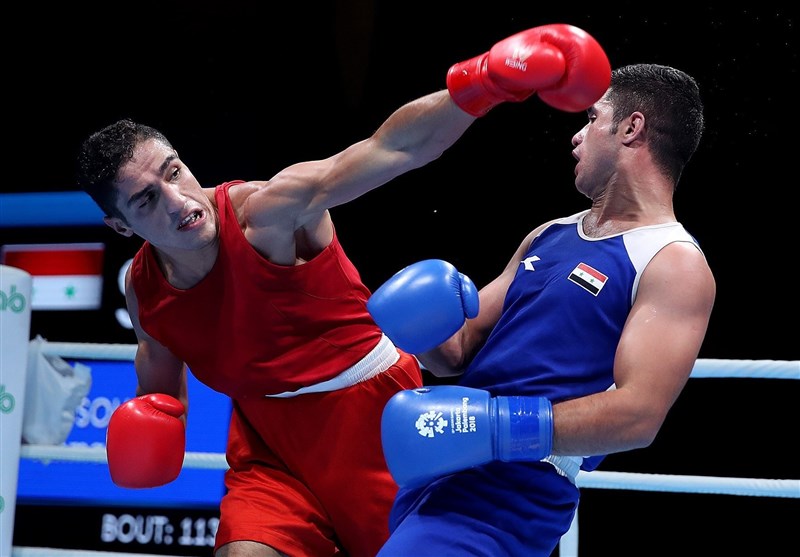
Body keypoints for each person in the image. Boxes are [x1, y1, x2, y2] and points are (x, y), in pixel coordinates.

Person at [75, 24, 612, 557]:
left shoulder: (267, 213)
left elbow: (393, 149)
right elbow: (161, 384)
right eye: (146, 201)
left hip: (378, 424)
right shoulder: (144, 291)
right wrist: (152, 417)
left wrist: (485, 81)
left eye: (175, 172)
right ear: (120, 226)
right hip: (269, 450)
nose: (176, 200)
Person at [368, 63, 716, 557]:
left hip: (512, 494)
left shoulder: (673, 262)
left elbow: (639, 415)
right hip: (440, 472)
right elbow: (457, 352)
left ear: (631, 128)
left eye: (592, 118)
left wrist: (494, 427)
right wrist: (419, 321)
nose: (576, 137)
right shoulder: (549, 235)